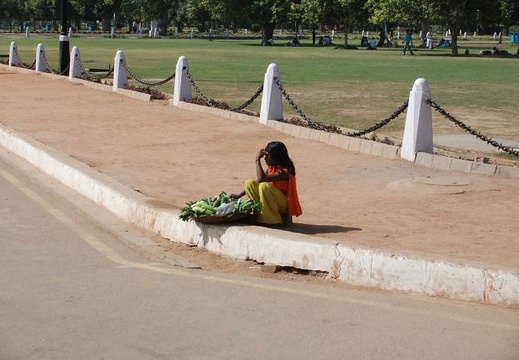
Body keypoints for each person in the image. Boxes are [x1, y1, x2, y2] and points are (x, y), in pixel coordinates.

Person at [230, 141, 302, 227]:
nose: (264, 158)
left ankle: (273, 220)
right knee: (250, 183)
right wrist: (238, 195)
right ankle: (260, 215)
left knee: (264, 186)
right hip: (273, 200)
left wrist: (257, 160)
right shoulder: (271, 168)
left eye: (267, 156)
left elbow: (262, 179)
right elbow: (258, 181)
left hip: (284, 204)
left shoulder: (284, 172)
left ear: (275, 158)